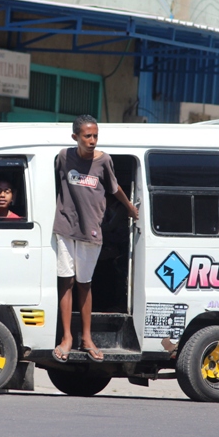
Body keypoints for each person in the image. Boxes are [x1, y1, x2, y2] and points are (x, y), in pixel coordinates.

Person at [52, 115, 138, 363]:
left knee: (84, 283)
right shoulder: (63, 157)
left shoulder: (104, 161)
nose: (92, 140)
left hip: (91, 231)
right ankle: (67, 337)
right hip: (66, 227)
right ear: (75, 137)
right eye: (87, 136)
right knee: (66, 282)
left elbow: (115, 188)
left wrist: (130, 208)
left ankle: (87, 338)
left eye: (95, 136)